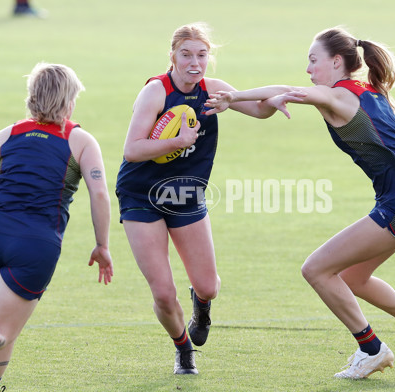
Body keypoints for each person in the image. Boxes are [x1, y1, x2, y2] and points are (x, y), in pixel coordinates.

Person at [205, 26, 395, 380]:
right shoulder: (370, 92)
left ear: (336, 61)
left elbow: (286, 91)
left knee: (316, 269)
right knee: (354, 276)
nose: (308, 69)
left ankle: (371, 349)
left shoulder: (337, 97)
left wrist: (234, 96)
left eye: (313, 60)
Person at [115, 22, 280, 375]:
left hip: (186, 194)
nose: (194, 62)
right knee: (162, 291)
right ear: (172, 56)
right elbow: (132, 150)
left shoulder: (214, 90)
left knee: (208, 286)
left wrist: (274, 102)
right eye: (186, 55)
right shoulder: (155, 92)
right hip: (140, 196)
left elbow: (259, 110)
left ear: (210, 58)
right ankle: (183, 349)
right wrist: (178, 142)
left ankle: (201, 305)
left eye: (202, 55)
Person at [0, 62, 113, 392]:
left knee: (5, 325)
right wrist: (102, 245)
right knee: (0, 330)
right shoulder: (80, 140)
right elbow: (100, 194)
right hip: (34, 244)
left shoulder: (8, 133)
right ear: (68, 101)